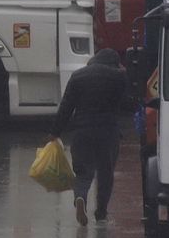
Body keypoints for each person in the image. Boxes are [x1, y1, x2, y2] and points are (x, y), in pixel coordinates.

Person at [50, 48, 131, 225]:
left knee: (82, 172)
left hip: (81, 131)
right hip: (107, 132)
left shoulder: (78, 75)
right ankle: (101, 213)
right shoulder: (119, 77)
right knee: (105, 173)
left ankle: (80, 197)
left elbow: (66, 106)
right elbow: (128, 105)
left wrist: (55, 132)